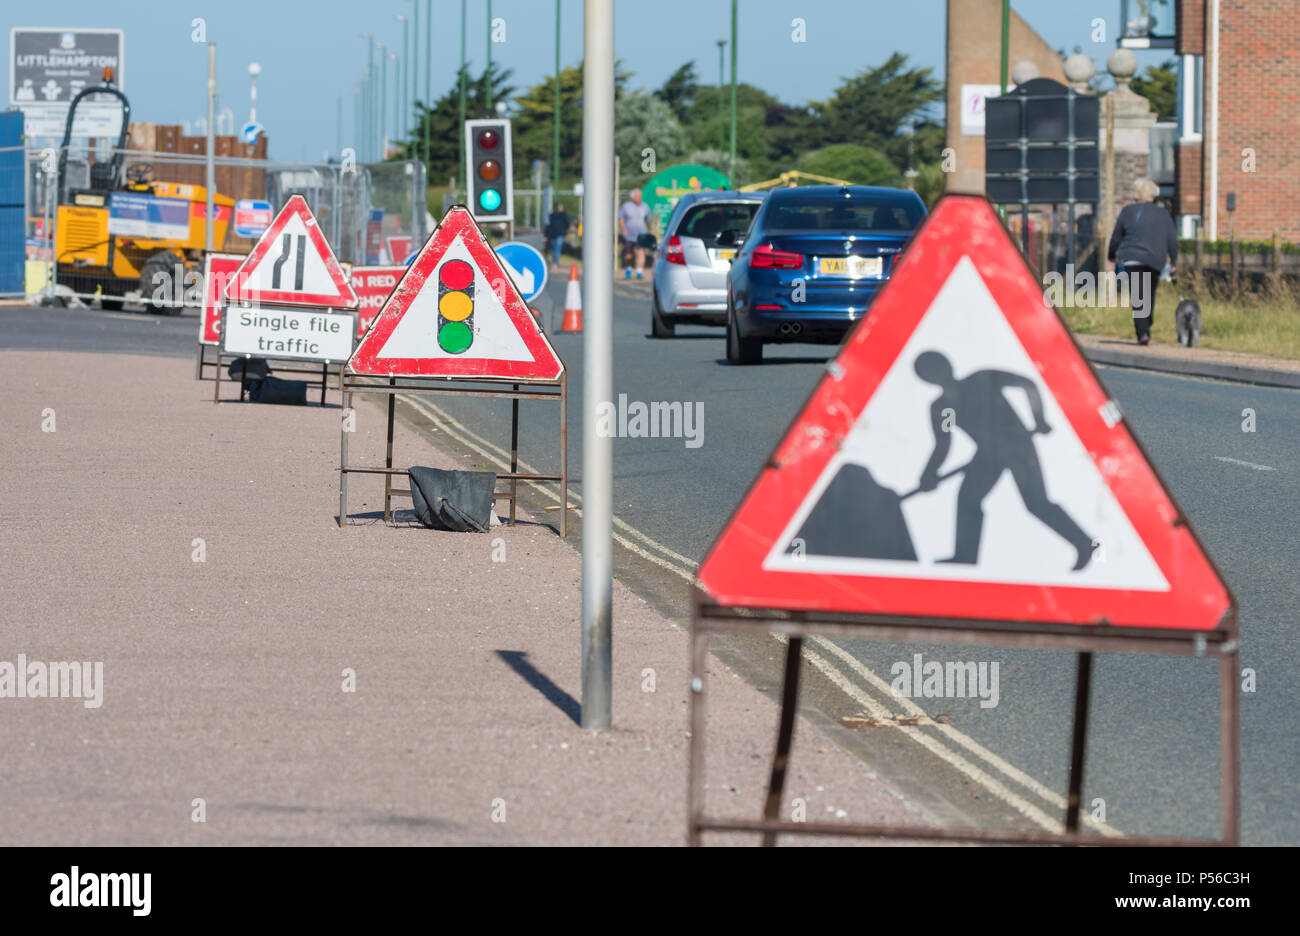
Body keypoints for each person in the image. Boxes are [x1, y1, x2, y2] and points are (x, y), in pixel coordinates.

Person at [913, 351, 1094, 571]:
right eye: (929, 371)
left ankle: (1085, 544)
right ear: (926, 379)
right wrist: (929, 473)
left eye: (938, 366)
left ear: (948, 365)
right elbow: (944, 444)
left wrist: (1038, 418)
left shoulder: (982, 380)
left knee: (1036, 503)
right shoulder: (945, 408)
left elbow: (1027, 384)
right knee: (968, 499)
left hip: (1017, 446)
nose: (937, 373)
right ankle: (965, 556)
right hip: (987, 456)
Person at [1107, 178, 1177, 345]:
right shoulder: (1163, 213)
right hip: (1155, 260)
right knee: (1149, 294)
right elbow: (1172, 239)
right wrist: (1173, 261)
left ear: (1136, 194)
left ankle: (1143, 332)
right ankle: (1146, 324)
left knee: (1139, 295)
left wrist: (1111, 255)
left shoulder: (1127, 211)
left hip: (1133, 258)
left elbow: (1117, 236)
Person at [618, 188, 653, 279]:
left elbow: (648, 220)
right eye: (637, 196)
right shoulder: (626, 206)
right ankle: (628, 268)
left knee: (641, 253)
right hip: (629, 234)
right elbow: (621, 219)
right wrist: (623, 230)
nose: (639, 198)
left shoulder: (645, 207)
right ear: (632, 197)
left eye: (640, 196)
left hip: (641, 234)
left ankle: (639, 271)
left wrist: (650, 230)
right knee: (628, 255)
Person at [544, 201, 570, 272]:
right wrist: (546, 235)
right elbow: (548, 226)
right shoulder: (552, 215)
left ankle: (554, 263)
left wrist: (564, 231)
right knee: (553, 249)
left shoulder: (564, 215)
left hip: (560, 235)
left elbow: (567, 224)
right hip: (552, 235)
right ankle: (555, 261)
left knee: (557, 249)